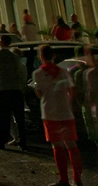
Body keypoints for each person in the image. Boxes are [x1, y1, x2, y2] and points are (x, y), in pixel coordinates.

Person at [34, 43, 83, 186]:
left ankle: (63, 179)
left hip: (50, 113)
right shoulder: (63, 71)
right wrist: (67, 102)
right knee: (72, 146)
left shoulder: (38, 74)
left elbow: (39, 93)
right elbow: (72, 90)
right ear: (54, 55)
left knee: (57, 147)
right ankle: (77, 178)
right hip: (65, 113)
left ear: (41, 57)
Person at [0, 33, 28, 149]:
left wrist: (0, 72)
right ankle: (22, 140)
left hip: (3, 88)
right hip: (16, 88)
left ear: (1, 42)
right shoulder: (14, 56)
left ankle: (1, 141)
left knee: (3, 117)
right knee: (19, 116)